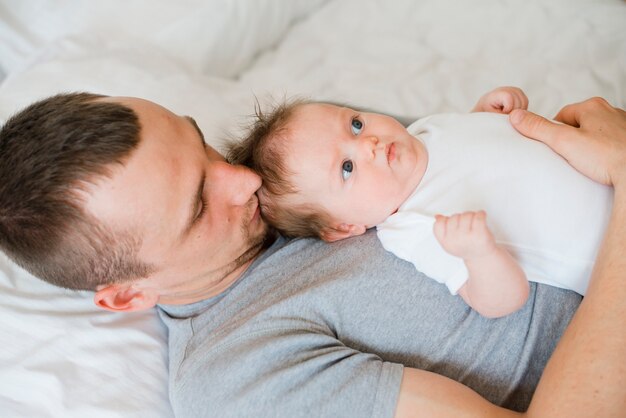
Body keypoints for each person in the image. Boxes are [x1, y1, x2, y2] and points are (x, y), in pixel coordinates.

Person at [0, 92, 624, 417]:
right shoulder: (240, 377)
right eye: (197, 206)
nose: (243, 181)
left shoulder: (286, 158)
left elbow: (455, 144)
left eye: (202, 145)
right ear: (128, 295)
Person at [227, 87, 611, 318]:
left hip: (605, 163)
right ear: (343, 226)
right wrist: (480, 253)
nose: (368, 144)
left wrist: (484, 114)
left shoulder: (421, 131)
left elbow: (471, 152)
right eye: (347, 168)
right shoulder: (413, 227)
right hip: (607, 246)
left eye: (355, 124)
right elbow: (500, 301)